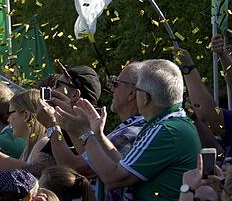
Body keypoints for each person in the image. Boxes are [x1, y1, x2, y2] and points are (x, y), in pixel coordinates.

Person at [79, 58, 201, 200]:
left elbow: (114, 179)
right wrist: (99, 135)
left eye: (137, 90)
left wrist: (84, 132)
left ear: (146, 98)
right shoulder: (173, 124)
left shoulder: (165, 131)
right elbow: (125, 165)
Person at [44, 62, 146, 200]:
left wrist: (52, 125)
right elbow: (85, 156)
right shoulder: (126, 129)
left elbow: (73, 168)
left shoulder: (130, 133)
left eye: (116, 83)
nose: (112, 89)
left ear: (132, 92)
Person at [0, 89, 52, 176]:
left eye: (11, 113)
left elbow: (29, 179)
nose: (8, 119)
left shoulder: (42, 143)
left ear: (26, 115)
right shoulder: (29, 147)